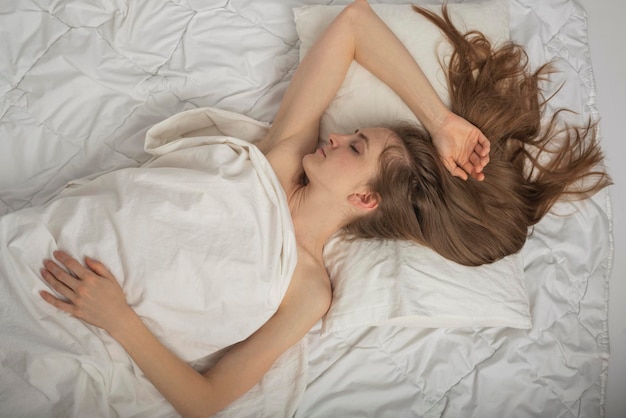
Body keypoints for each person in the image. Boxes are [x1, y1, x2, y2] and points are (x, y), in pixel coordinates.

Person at [38, 0, 610, 416]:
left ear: (364, 199)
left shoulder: (308, 290)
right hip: (45, 246)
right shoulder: (281, 157)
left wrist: (117, 317)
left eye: (354, 146)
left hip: (81, 320)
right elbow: (355, 22)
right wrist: (440, 121)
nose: (334, 138)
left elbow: (205, 401)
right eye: (351, 135)